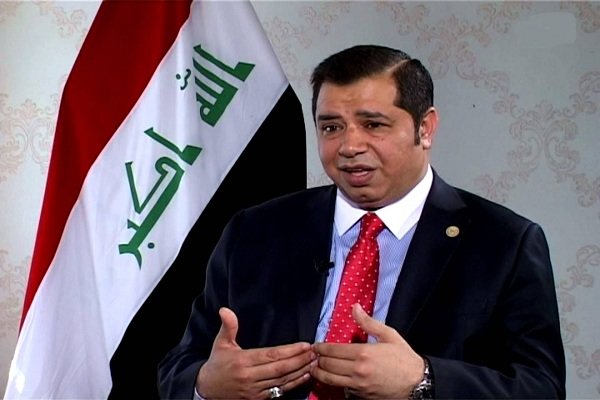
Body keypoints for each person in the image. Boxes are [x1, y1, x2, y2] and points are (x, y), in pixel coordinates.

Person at [158, 45, 566, 399]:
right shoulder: (255, 231)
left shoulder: (504, 243)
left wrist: (424, 381)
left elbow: (541, 388)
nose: (350, 145)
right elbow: (179, 367)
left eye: (373, 125)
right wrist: (207, 384)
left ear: (424, 128)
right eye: (331, 127)